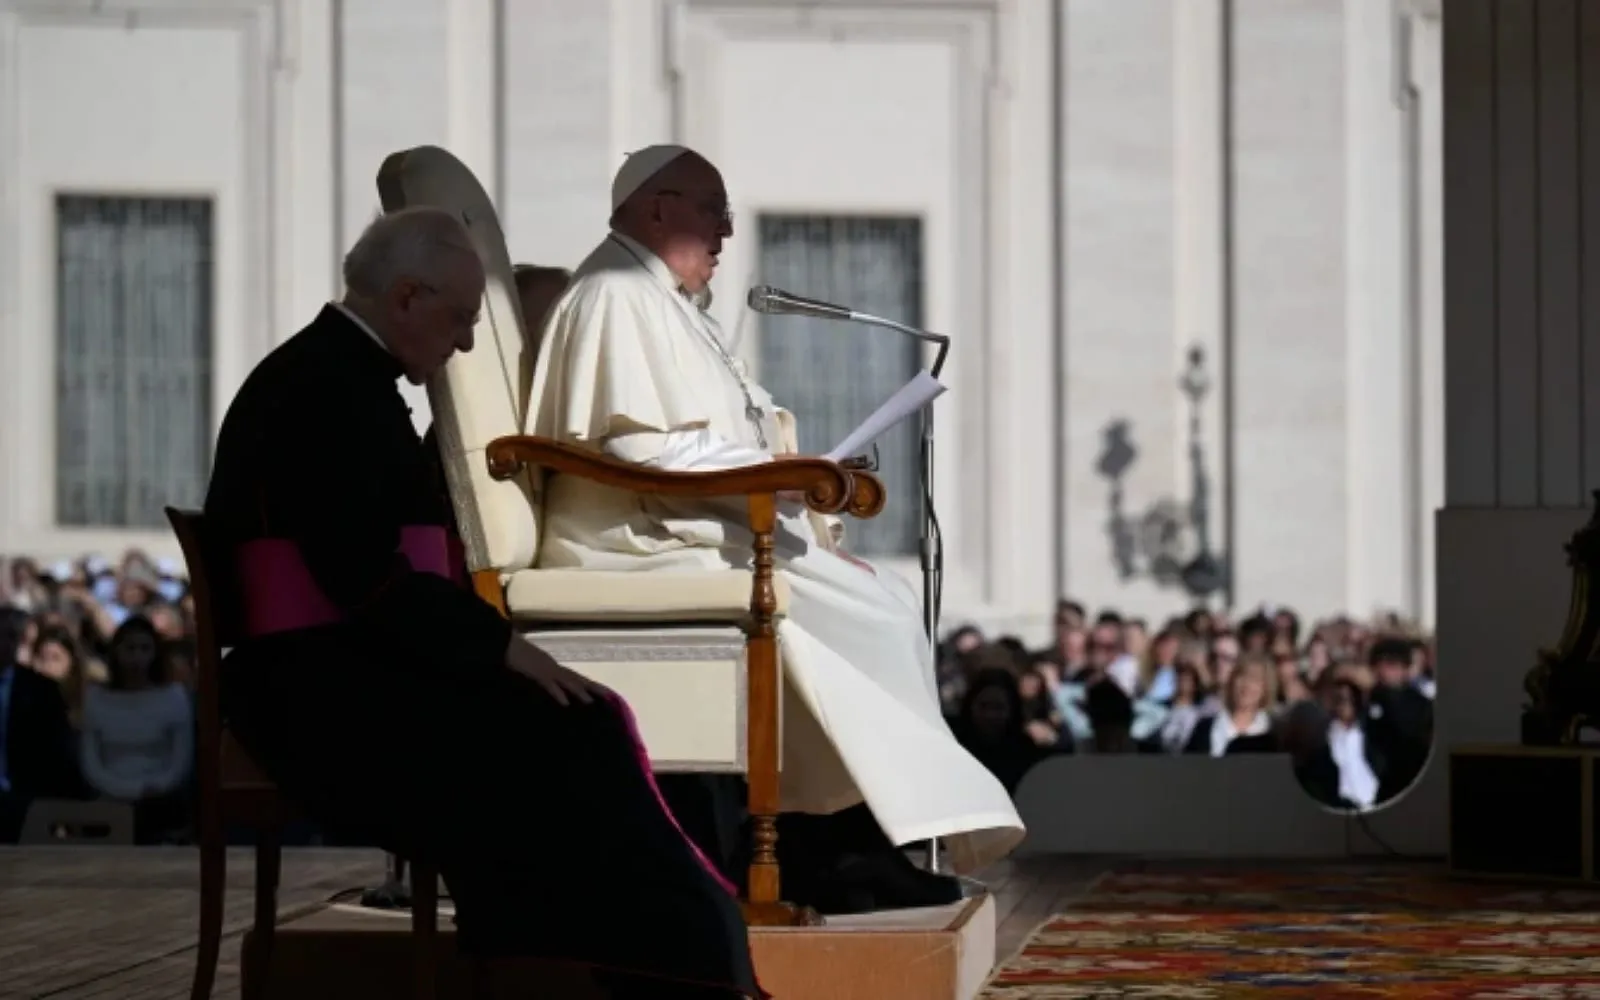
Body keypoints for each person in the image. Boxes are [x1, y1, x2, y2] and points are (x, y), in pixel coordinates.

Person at [204, 207, 762, 999]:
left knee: (579, 720)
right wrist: (500, 648)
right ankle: (648, 970)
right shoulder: (322, 389)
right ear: (405, 298)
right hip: (317, 690)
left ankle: (646, 961)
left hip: (351, 663)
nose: (467, 342)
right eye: (461, 318)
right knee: (570, 729)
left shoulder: (342, 374)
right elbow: (365, 577)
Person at [525, 143, 1024, 913]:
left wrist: (788, 471)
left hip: (687, 523)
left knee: (879, 599)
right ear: (658, 208)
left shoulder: (664, 301)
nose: (726, 231)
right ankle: (838, 848)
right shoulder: (617, 292)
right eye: (711, 211)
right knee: (875, 616)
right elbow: (637, 448)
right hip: (637, 541)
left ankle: (850, 842)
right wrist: (778, 477)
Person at [0, 607, 87, 842]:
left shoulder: (41, 689)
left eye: (10, 636)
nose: (3, 643)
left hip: (25, 801)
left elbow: (58, 754)